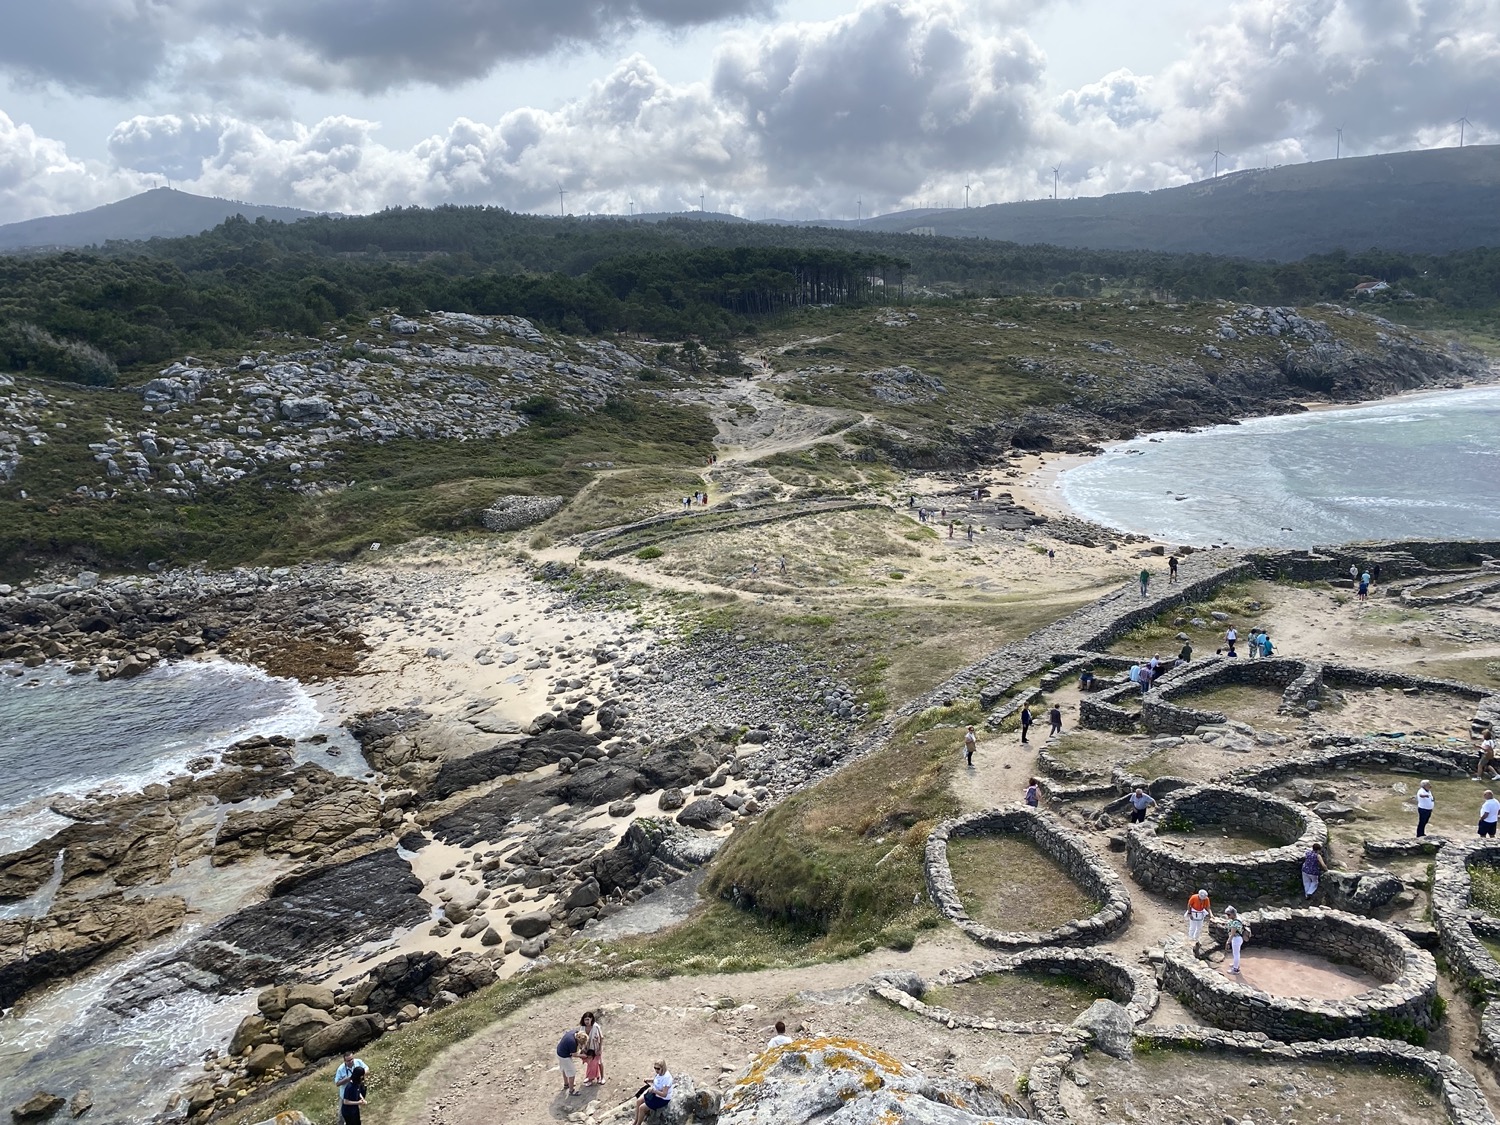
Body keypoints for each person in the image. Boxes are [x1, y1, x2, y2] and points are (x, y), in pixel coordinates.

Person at [634, 1060, 674, 1125]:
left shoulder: (667, 1078)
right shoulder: (659, 1074)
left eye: (658, 1068)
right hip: (655, 1093)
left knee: (642, 1108)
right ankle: (635, 1121)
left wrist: (654, 1091)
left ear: (663, 1068)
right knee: (639, 1101)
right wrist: (649, 1080)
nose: (656, 1070)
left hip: (661, 1098)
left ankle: (638, 1123)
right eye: (655, 1068)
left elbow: (664, 1094)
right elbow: (657, 1080)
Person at [557, 1025, 583, 1095]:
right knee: (572, 1072)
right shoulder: (573, 1043)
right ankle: (571, 1091)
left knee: (564, 1069)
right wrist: (583, 1055)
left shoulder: (574, 1032)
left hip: (559, 1052)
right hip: (564, 1057)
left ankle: (566, 1084)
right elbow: (574, 1054)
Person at [581, 1010, 605, 1086]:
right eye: (585, 1019)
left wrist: (600, 1049)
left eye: (588, 1019)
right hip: (588, 1049)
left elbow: (601, 1037)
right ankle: (591, 1077)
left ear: (591, 1019)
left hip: (596, 1047)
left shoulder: (596, 1027)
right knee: (590, 1063)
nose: (586, 1021)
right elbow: (581, 1038)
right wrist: (582, 1048)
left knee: (599, 1062)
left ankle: (602, 1077)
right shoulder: (582, 1028)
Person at [1223, 906, 1250, 974]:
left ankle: (1235, 969)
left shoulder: (1235, 923)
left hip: (1236, 939)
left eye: (1228, 914)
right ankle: (1235, 964)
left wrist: (1228, 942)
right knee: (1236, 953)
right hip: (1238, 938)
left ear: (1233, 914)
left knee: (1236, 954)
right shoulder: (1238, 917)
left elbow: (1232, 934)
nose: (1227, 916)